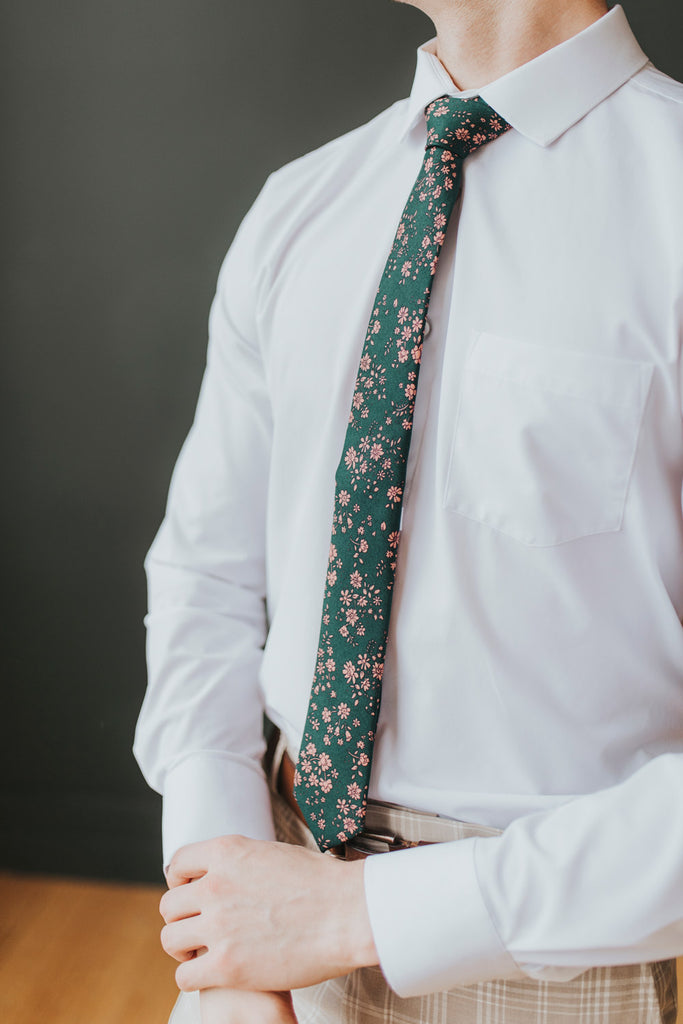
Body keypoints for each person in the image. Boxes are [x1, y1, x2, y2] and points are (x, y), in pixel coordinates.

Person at [133, 0, 683, 1021]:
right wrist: (224, 921)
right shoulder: (301, 206)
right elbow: (205, 578)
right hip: (266, 913)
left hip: (548, 955)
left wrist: (367, 912)